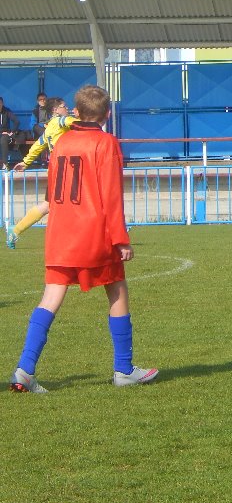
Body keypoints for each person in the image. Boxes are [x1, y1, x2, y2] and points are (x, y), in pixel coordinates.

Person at [9, 85, 157, 393]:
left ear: (76, 112)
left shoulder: (61, 142)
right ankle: (124, 369)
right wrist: (121, 238)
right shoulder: (105, 143)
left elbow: (52, 193)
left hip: (60, 233)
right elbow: (111, 195)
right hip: (93, 232)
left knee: (50, 297)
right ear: (107, 114)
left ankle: (24, 370)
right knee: (117, 290)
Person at [6, 96, 78, 249]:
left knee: (49, 205)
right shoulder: (61, 121)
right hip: (64, 169)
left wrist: (26, 162)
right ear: (55, 110)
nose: (67, 108)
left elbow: (38, 145)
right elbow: (77, 123)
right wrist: (90, 119)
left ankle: (16, 229)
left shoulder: (50, 127)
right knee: (74, 203)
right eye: (64, 106)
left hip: (58, 169)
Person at [0, 95, 20, 169]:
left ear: (2, 103)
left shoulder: (7, 111)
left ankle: (5, 163)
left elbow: (17, 121)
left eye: (0, 103)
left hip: (5, 133)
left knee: (3, 140)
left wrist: (12, 132)